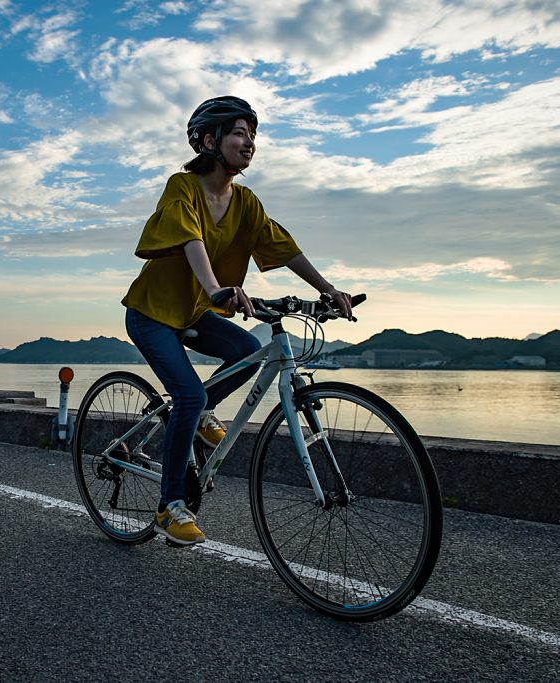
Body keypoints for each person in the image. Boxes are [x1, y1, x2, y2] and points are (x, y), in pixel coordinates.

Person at [122, 96, 353, 546]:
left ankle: (199, 411)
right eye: (239, 134)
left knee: (248, 352)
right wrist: (215, 289)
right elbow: (191, 238)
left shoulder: (246, 202)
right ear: (210, 141)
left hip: (196, 312)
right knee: (186, 396)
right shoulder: (182, 187)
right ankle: (171, 507)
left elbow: (282, 247)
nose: (249, 144)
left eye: (253, 136)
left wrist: (328, 290)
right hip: (151, 315)